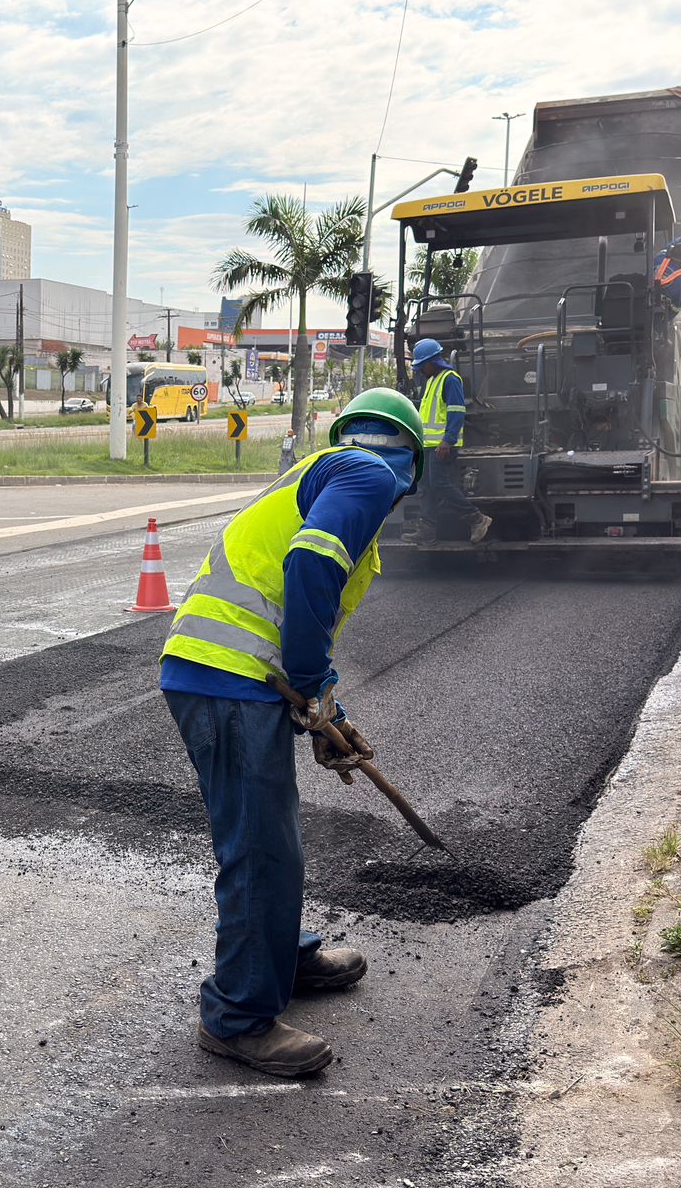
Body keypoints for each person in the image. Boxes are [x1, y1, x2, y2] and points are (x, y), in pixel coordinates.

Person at [160, 388, 426, 1078]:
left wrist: (323, 710)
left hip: (228, 676)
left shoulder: (325, 472)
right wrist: (312, 685)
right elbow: (309, 563)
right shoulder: (370, 475)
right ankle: (238, 1016)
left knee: (272, 834)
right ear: (412, 465)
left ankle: (286, 957)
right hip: (223, 678)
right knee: (259, 849)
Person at [406, 338, 492, 545]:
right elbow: (428, 410)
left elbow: (456, 411)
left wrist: (448, 440)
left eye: (421, 365)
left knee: (440, 483)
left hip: (443, 445)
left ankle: (477, 518)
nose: (420, 370)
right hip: (428, 444)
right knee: (425, 485)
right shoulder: (432, 380)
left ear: (431, 362)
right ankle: (427, 531)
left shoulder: (450, 379)